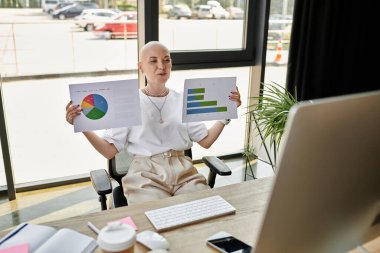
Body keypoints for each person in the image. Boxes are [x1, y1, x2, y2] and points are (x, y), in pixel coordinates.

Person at [66, 41, 241, 205]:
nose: (161, 66)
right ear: (140, 67)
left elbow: (206, 141)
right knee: (156, 219)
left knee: (202, 212)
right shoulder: (128, 101)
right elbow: (109, 151)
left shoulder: (183, 99)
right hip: (145, 175)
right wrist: (83, 126)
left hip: (184, 172)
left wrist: (225, 115)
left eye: (166, 60)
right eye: (153, 61)